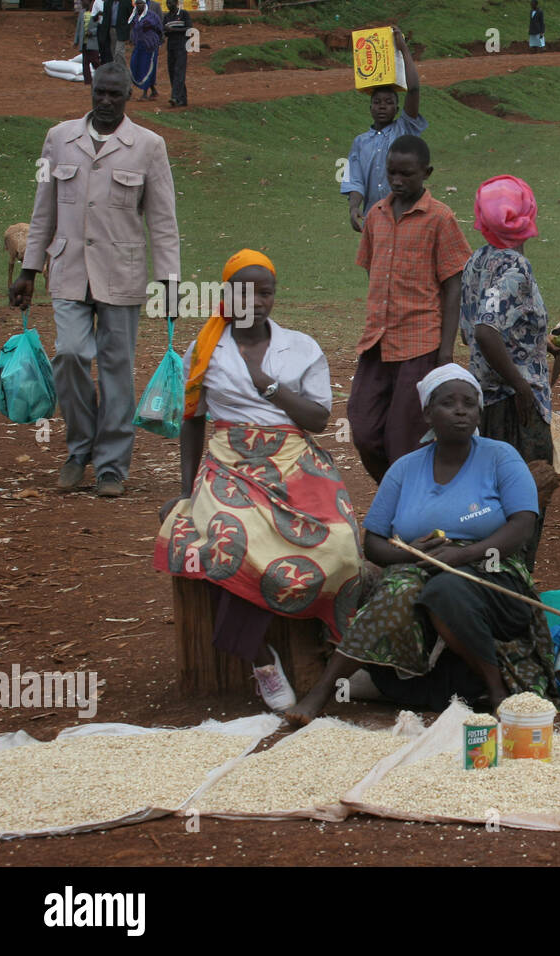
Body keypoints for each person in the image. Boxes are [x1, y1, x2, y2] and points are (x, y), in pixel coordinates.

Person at [284, 365, 556, 724]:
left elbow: (522, 525)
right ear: (428, 412)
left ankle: (496, 689)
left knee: (445, 589)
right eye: (448, 403)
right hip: (419, 565)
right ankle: (322, 690)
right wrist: (407, 556)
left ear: (479, 412)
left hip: (490, 570)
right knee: (397, 589)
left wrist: (464, 554)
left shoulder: (500, 456)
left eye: (469, 403)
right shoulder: (405, 469)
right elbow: (374, 541)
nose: (461, 410)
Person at [154, 250, 364, 710]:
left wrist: (270, 385)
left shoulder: (302, 346)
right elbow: (192, 420)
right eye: (246, 292)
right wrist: (188, 490)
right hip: (229, 462)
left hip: (293, 458)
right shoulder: (207, 349)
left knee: (342, 540)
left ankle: (334, 645)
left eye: (265, 291)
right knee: (233, 544)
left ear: (274, 294)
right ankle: (261, 658)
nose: (257, 301)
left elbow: (319, 420)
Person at [9, 64, 179, 498]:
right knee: (68, 353)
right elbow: (42, 207)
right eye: (99, 93)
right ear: (91, 91)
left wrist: (170, 281)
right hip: (66, 271)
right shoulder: (58, 139)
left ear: (127, 96)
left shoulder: (149, 146)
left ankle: (111, 466)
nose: (105, 102)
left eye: (114, 96)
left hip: (121, 273)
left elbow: (162, 221)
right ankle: (79, 448)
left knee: (117, 369)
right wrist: (28, 269)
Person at [351, 134, 471, 484]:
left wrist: (445, 353)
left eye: (407, 174)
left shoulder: (440, 218)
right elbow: (372, 269)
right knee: (362, 428)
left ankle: (408, 511)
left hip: (420, 345)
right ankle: (398, 495)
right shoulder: (375, 215)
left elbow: (453, 285)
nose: (398, 181)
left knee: (404, 440)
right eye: (391, 174)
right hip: (376, 342)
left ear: (426, 173)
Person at [458, 175, 554, 569]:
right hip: (513, 406)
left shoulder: (476, 261)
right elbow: (485, 330)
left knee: (487, 500)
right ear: (528, 215)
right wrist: (522, 386)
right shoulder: (514, 267)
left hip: (483, 400)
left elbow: (474, 332)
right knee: (527, 497)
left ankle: (488, 581)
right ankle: (513, 584)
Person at [341, 26, 424, 233]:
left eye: (388, 102)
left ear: (397, 108)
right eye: (377, 102)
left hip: (406, 220)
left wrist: (403, 47)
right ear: (370, 108)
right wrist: (353, 208)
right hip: (374, 221)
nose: (382, 106)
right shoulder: (360, 142)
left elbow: (413, 89)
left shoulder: (404, 129)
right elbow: (355, 181)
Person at [128, 0, 164, 101]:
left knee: (147, 67)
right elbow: (133, 28)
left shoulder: (152, 16)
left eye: (141, 4)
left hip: (150, 46)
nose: (139, 6)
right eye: (137, 4)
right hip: (139, 45)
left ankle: (145, 93)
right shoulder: (134, 16)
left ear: (145, 5)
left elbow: (159, 28)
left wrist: (158, 40)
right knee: (135, 65)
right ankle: (153, 90)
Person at [163, 0, 191, 108]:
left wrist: (173, 30)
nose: (169, 5)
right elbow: (164, 31)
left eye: (170, 3)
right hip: (171, 46)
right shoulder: (166, 16)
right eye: (167, 3)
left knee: (179, 70)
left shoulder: (184, 14)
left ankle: (175, 97)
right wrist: (166, 31)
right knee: (172, 71)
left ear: (176, 3)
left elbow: (189, 28)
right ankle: (182, 99)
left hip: (181, 45)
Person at [75, 1, 103, 85]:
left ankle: (102, 77)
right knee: (85, 62)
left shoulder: (96, 13)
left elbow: (100, 26)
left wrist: (92, 32)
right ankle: (87, 81)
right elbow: (78, 27)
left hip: (93, 41)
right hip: (84, 42)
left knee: (95, 61)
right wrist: (76, 41)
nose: (83, 3)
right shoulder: (82, 13)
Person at [98, 0, 133, 67]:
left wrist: (130, 29)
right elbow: (105, 18)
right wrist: (103, 33)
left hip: (122, 30)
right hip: (111, 29)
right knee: (113, 51)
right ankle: (117, 68)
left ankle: (121, 69)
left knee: (119, 51)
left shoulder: (126, 2)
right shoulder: (108, 3)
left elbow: (131, 15)